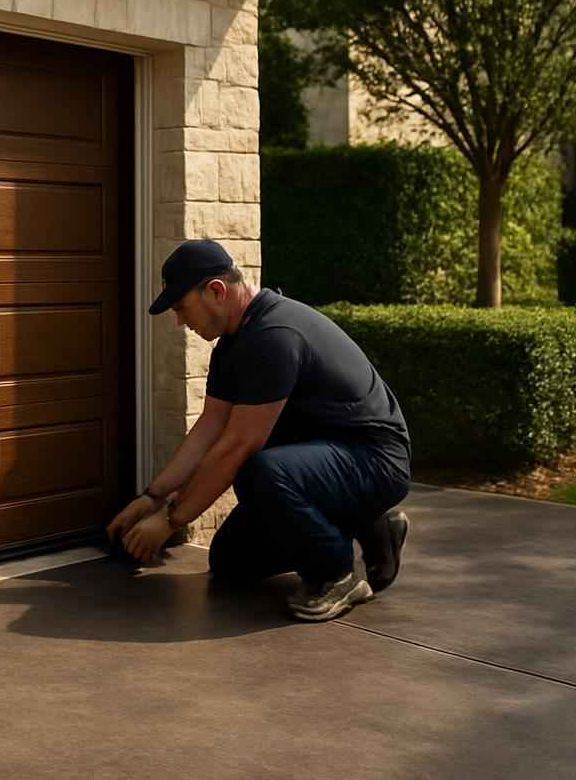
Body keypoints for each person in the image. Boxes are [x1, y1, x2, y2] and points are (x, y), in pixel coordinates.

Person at [106, 238, 412, 622]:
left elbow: (236, 447)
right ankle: (367, 520)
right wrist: (153, 496)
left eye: (182, 307)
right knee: (231, 561)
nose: (180, 320)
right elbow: (210, 427)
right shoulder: (233, 343)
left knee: (259, 471)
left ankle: (336, 573)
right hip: (325, 459)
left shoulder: (275, 335)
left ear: (216, 290)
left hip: (374, 459)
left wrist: (171, 521)